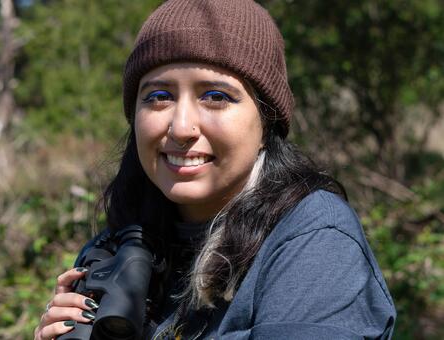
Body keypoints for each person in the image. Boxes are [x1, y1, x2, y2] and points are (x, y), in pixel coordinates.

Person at [34, 0, 396, 339]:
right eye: (159, 96)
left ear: (266, 125)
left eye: (216, 97)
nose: (181, 127)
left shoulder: (314, 239)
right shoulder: (115, 247)